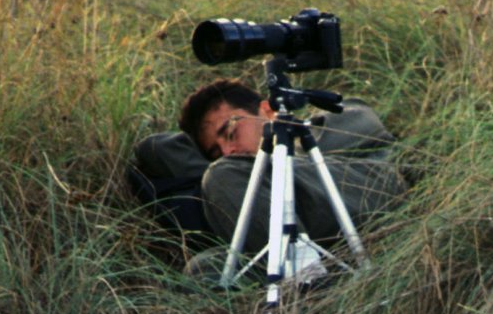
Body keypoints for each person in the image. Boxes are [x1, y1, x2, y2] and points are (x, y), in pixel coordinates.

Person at [130, 78, 407, 266]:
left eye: (230, 132)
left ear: (267, 110)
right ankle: (313, 285)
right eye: (216, 151)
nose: (229, 151)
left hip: (367, 194)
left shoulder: (325, 125)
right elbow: (155, 148)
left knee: (221, 175)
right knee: (205, 268)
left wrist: (283, 150)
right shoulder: (234, 176)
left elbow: (361, 121)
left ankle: (305, 280)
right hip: (315, 246)